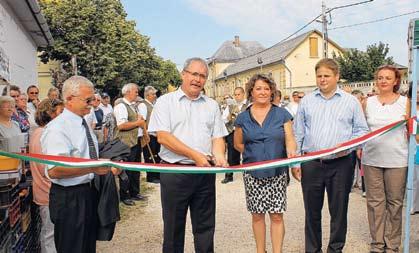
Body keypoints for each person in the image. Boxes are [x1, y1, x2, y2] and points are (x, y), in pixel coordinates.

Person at [148, 57, 228, 253]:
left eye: (202, 76)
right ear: (183, 74)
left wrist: (219, 155)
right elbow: (163, 137)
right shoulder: (165, 102)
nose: (197, 79)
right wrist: (195, 155)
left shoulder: (211, 105)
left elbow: (217, 136)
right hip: (175, 172)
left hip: (204, 174)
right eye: (194, 74)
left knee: (205, 228)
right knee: (173, 229)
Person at [293, 58, 369, 253]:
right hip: (311, 162)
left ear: (337, 77)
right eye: (319, 76)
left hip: (341, 163)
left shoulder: (350, 102)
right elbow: (298, 133)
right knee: (311, 211)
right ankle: (313, 249)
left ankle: (335, 249)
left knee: (339, 211)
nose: (322, 79)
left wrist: (348, 146)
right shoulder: (307, 101)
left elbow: (361, 130)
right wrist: (295, 162)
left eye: (327, 75)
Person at [41, 75, 112, 253]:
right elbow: (55, 170)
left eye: (93, 99)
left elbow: (88, 156)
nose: (92, 103)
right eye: (88, 100)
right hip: (69, 198)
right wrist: (94, 168)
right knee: (73, 247)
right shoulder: (58, 128)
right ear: (70, 99)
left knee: (87, 246)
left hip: (87, 192)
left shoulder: (82, 123)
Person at [234, 74, 296, 253]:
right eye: (258, 88)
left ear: (272, 92)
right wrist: (253, 155)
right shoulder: (242, 118)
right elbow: (238, 143)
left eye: (266, 89)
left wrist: (291, 153)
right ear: (251, 91)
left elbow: (290, 139)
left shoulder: (282, 114)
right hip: (252, 173)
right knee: (257, 215)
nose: (262, 92)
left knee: (276, 216)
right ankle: (260, 250)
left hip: (277, 172)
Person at [361, 65, 410, 253]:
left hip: (397, 160)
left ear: (396, 81)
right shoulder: (368, 102)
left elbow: (413, 130)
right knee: (374, 203)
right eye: (380, 77)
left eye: (388, 78)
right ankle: (377, 243)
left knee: (395, 203)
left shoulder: (406, 102)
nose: (383, 81)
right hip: (371, 159)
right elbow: (361, 129)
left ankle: (392, 244)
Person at [29, 98, 64, 253]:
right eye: (60, 112)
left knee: (50, 233)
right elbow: (48, 168)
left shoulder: (39, 132)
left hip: (47, 192)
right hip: (48, 192)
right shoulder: (44, 134)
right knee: (51, 235)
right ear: (50, 114)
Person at [113, 83, 146, 206]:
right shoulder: (121, 107)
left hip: (135, 141)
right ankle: (124, 195)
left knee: (136, 168)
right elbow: (121, 125)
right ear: (127, 92)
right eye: (135, 92)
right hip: (126, 143)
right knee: (126, 170)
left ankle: (135, 192)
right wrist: (138, 123)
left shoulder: (133, 106)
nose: (137, 94)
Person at [221, 86, 248, 184]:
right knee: (231, 155)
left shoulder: (249, 105)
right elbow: (223, 119)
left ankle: (249, 173)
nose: (237, 97)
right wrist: (228, 118)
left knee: (248, 152)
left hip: (246, 133)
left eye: (238, 94)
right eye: (235, 95)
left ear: (243, 94)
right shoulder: (231, 106)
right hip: (233, 132)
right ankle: (229, 175)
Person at [138, 85, 161, 183]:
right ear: (147, 95)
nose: (155, 96)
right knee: (149, 156)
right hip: (149, 134)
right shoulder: (143, 105)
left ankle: (157, 175)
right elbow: (143, 121)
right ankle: (151, 177)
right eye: (153, 94)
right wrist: (145, 134)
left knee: (156, 155)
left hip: (155, 135)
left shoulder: (152, 105)